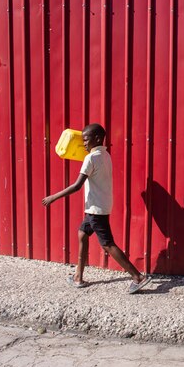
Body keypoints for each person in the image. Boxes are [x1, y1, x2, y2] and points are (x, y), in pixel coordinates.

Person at [42, 123, 152, 294]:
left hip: (95, 209)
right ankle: (78, 277)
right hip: (100, 205)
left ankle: (137, 277)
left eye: (86, 140)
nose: (83, 143)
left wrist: (53, 197)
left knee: (107, 244)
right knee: (82, 234)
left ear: (97, 139)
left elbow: (77, 186)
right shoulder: (105, 155)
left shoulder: (91, 158)